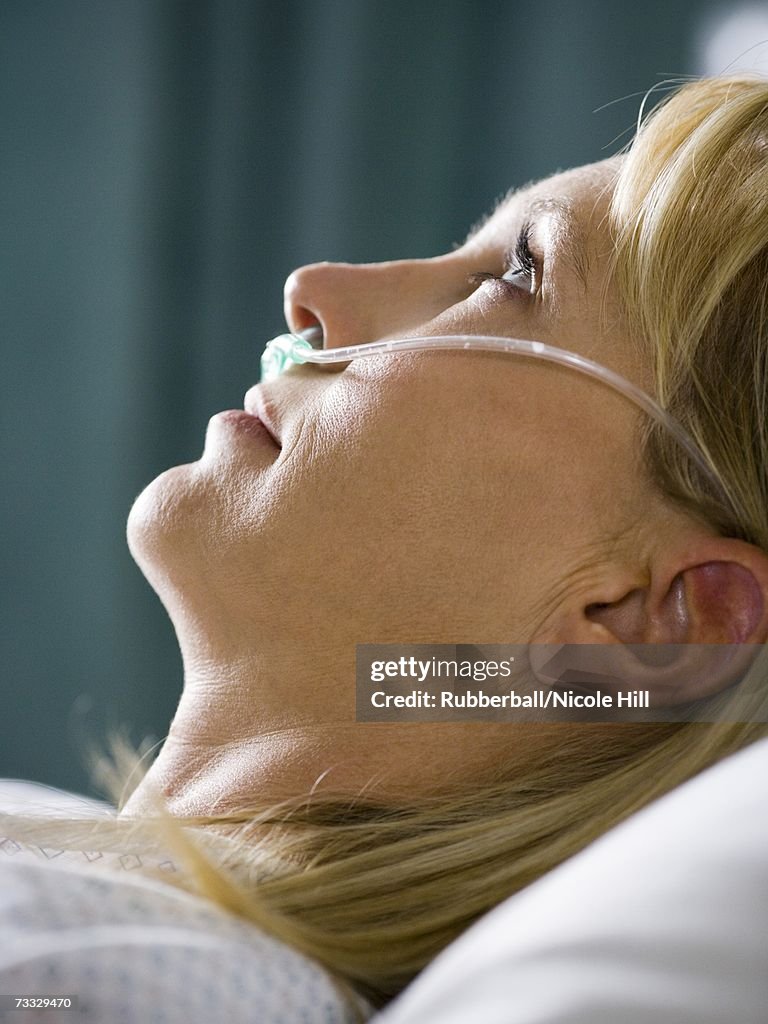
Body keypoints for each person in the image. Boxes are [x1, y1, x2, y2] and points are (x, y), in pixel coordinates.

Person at [3, 75, 768, 1015]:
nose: (312, 294)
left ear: (665, 623)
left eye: (514, 275)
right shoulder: (65, 897)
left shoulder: (103, 980)